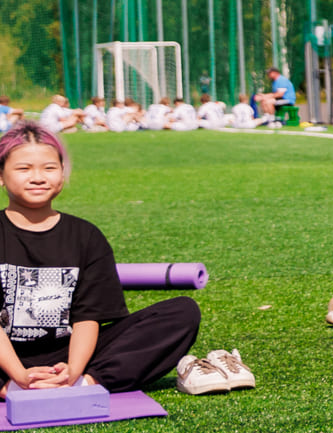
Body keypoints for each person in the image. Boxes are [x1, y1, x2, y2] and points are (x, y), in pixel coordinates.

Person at [0, 124, 201, 398]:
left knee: (182, 312)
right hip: (5, 358)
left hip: (68, 355)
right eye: (24, 169)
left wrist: (73, 371)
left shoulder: (86, 236)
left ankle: (86, 384)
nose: (38, 178)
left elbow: (88, 317)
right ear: (2, 175)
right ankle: (10, 388)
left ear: (62, 172)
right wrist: (18, 375)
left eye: (49, 168)